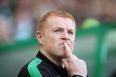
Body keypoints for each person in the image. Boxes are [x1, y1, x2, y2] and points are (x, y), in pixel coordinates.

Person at [18, 10, 87, 77]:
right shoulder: (34, 70)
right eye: (58, 30)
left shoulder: (75, 69)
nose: (66, 37)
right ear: (40, 37)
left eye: (70, 32)